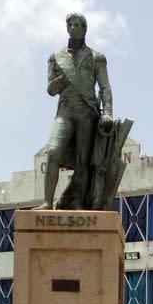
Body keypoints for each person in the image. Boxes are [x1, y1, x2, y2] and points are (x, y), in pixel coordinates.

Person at [39, 12, 113, 210]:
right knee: (53, 151)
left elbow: (105, 88)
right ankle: (47, 202)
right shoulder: (56, 58)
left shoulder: (97, 58)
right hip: (65, 112)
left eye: (77, 24)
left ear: (84, 28)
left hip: (87, 114)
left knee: (83, 162)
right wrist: (65, 78)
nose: (72, 28)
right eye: (69, 24)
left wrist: (107, 112)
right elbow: (50, 90)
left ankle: (78, 202)